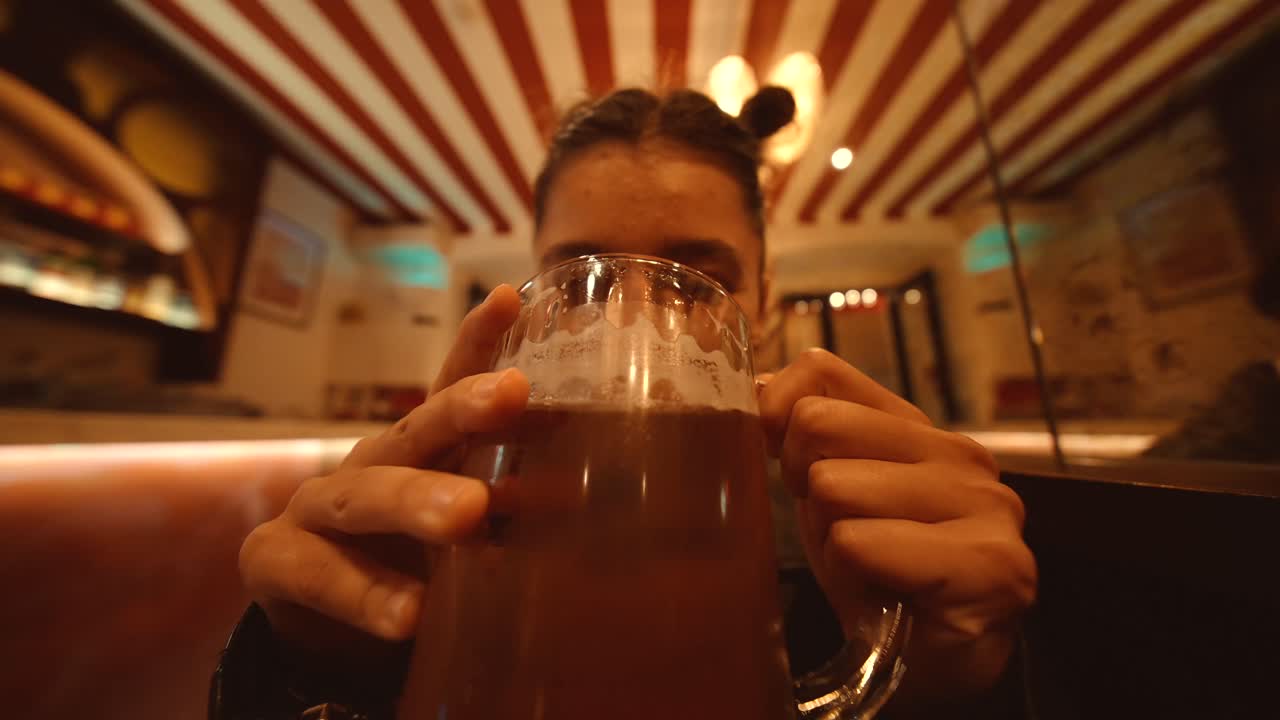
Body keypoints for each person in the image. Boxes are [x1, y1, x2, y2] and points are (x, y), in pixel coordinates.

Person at [215, 87, 1036, 719]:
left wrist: (944, 690)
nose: (637, 324)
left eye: (701, 278)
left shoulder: (875, 529)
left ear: (770, 302)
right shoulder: (441, 521)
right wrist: (321, 668)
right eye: (584, 278)